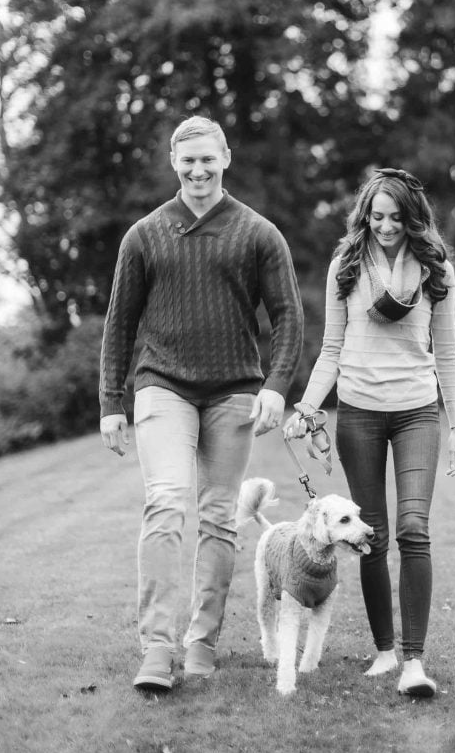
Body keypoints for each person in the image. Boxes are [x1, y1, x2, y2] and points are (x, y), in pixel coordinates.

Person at [100, 116, 304, 691]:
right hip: (161, 385)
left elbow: (287, 315)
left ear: (225, 158)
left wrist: (275, 386)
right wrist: (112, 400)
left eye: (207, 159)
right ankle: (157, 648)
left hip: (233, 389)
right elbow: (120, 323)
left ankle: (201, 641)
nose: (197, 170)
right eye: (187, 160)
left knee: (219, 517)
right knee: (165, 505)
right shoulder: (144, 235)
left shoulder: (258, 233)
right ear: (173, 162)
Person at [284, 167, 455, 698]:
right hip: (359, 414)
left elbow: (448, 355)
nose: (385, 227)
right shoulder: (345, 266)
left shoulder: (437, 271)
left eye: (395, 217)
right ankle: (385, 651)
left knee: (414, 527)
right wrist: (307, 407)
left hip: (417, 411)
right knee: (372, 536)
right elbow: (332, 349)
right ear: (364, 216)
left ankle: (414, 662)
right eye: (376, 216)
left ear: (414, 218)